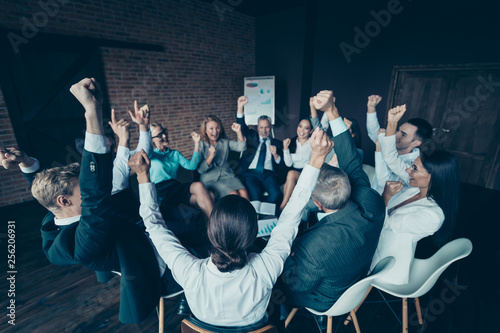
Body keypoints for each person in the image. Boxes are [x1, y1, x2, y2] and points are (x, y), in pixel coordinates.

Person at [0, 78, 176, 324]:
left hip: (138, 240)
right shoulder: (82, 243)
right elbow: (94, 197)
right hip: (159, 268)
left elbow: (45, 193)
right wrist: (92, 112)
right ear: (65, 200)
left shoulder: (57, 214)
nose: (93, 189)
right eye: (81, 188)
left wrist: (25, 162)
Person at [128, 126, 332, 327]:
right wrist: (316, 159)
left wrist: (143, 177)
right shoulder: (265, 270)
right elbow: (291, 216)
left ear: (211, 230)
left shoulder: (188, 272)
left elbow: (153, 224)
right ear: (252, 235)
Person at [281, 90, 385, 312]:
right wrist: (331, 110)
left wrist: (288, 257)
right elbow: (353, 164)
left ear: (317, 203)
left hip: (328, 300)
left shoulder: (313, 248)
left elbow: (294, 285)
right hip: (357, 281)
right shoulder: (372, 206)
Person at [370, 106, 460, 284]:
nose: (409, 170)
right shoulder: (413, 190)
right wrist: (391, 124)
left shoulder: (433, 216)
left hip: (385, 264)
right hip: (374, 245)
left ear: (434, 178)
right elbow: (390, 161)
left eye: (415, 168)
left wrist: (386, 197)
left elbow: (386, 226)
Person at [366, 95, 432, 193]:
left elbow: (384, 182)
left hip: (386, 205)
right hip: (372, 193)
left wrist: (379, 151)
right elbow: (373, 132)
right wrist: (371, 108)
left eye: (403, 134)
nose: (396, 135)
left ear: (416, 143)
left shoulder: (414, 165)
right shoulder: (392, 143)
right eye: (398, 130)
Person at [149, 122, 213, 217]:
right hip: (162, 192)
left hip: (175, 187)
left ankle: (212, 227)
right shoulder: (150, 155)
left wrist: (197, 143)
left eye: (164, 132)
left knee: (206, 192)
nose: (164, 136)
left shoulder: (174, 153)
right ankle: (215, 227)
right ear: (151, 140)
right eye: (159, 135)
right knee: (209, 196)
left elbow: (192, 166)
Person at [236, 96, 286, 205]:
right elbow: (242, 126)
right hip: (251, 174)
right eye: (261, 127)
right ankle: (257, 218)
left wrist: (276, 155)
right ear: (257, 127)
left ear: (271, 127)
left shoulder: (277, 143)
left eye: (267, 127)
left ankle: (265, 218)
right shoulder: (251, 137)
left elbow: (283, 165)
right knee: (255, 194)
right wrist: (240, 107)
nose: (264, 131)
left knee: (275, 194)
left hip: (269, 174)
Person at [197, 115, 249, 200]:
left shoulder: (224, 142)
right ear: (205, 130)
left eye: (217, 128)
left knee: (244, 192)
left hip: (228, 176)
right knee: (234, 194)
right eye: (211, 128)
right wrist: (210, 156)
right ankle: (236, 213)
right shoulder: (200, 145)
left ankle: (250, 213)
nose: (215, 131)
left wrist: (238, 131)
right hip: (210, 179)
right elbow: (200, 170)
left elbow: (242, 148)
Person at [280, 118, 313, 210]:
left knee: (291, 174)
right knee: (290, 175)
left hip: (307, 174)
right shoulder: (291, 142)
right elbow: (288, 163)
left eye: (306, 128)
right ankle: (285, 207)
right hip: (294, 174)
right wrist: (285, 148)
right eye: (300, 126)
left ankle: (283, 206)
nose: (302, 130)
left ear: (311, 131)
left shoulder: (312, 143)